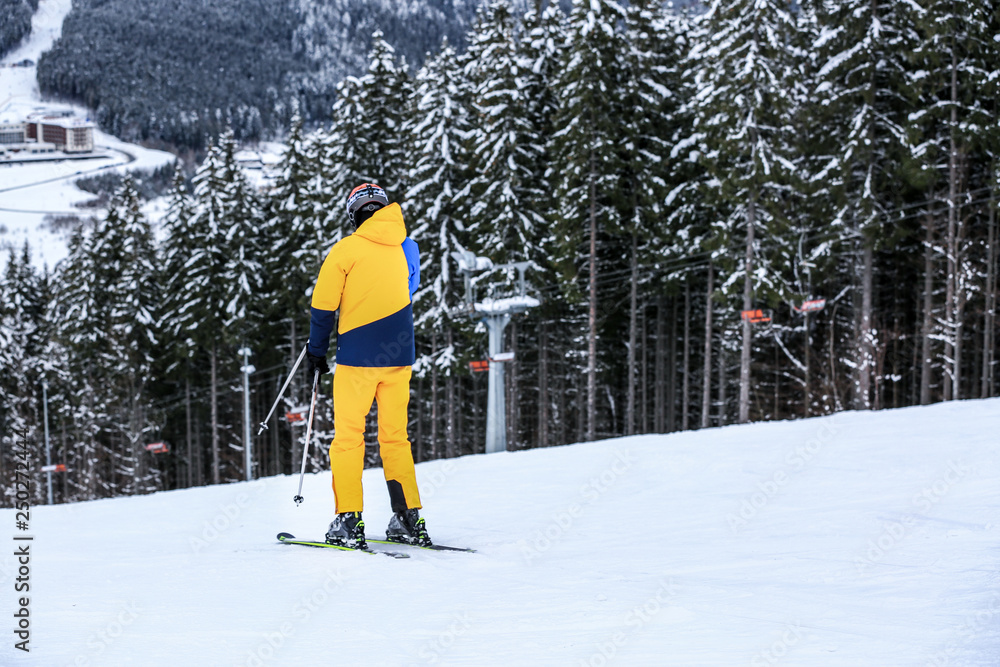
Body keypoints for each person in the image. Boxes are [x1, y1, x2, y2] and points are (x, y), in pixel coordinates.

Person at [305, 183, 430, 548]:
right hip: (399, 357)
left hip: (358, 358)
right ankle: (408, 518)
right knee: (395, 438)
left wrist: (317, 351)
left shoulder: (346, 250)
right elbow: (408, 289)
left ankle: (348, 520)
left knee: (347, 439)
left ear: (355, 214)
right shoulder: (408, 248)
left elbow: (323, 307)